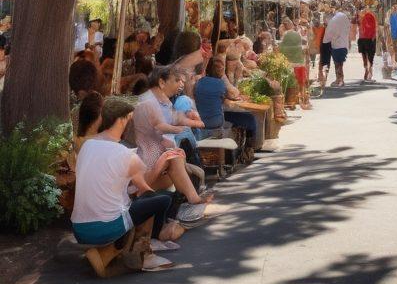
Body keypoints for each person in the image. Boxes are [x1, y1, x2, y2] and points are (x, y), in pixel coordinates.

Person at [71, 94, 184, 271]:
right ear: (121, 120)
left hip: (79, 230)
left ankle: (108, 252)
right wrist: (162, 162)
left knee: (138, 204)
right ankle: (145, 253)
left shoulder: (87, 146)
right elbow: (144, 190)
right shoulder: (125, 154)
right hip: (107, 227)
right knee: (161, 199)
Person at [131, 67, 210, 221]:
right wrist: (181, 128)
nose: (179, 84)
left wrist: (190, 121)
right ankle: (191, 198)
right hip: (147, 163)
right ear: (161, 82)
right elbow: (160, 128)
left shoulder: (162, 101)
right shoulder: (148, 103)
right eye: (176, 80)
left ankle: (190, 198)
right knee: (175, 156)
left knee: (176, 155)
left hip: (154, 158)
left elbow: (173, 120)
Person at [194, 54, 257, 159]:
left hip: (200, 121)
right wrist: (223, 76)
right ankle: (249, 149)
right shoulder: (220, 84)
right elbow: (233, 94)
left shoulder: (199, 83)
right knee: (250, 118)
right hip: (216, 121)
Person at [323, 7, 351, 89]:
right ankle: (339, 79)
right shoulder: (344, 18)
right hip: (344, 45)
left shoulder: (332, 22)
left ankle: (340, 80)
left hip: (336, 46)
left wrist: (325, 42)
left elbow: (328, 36)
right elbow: (348, 29)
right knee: (340, 64)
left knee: (337, 64)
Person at [357, 5, 378, 82]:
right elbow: (375, 27)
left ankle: (368, 70)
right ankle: (368, 70)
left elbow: (375, 27)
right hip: (367, 39)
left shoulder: (368, 17)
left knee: (367, 56)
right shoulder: (368, 17)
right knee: (368, 56)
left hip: (366, 38)